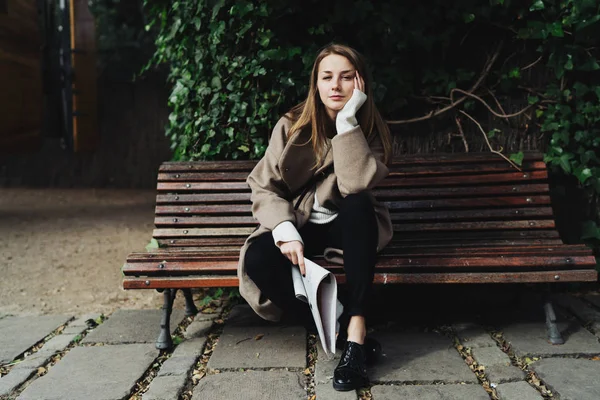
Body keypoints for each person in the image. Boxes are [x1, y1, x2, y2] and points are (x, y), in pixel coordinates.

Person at [237, 43, 393, 391]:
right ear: (316, 84)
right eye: (327, 77)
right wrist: (284, 227)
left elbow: (354, 184)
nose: (336, 86)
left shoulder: (371, 131)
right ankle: (334, 324)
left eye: (346, 77)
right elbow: (263, 186)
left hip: (352, 227)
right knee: (259, 256)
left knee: (358, 205)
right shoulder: (292, 126)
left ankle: (355, 335)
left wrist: (347, 122)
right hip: (302, 223)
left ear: (361, 83)